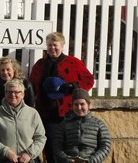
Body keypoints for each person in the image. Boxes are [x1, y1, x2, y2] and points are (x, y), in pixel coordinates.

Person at [29, 32, 94, 163]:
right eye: (49, 45)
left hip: (68, 113)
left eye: (55, 45)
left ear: (62, 46)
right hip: (46, 112)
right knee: (50, 146)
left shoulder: (73, 62)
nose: (52, 48)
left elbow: (89, 80)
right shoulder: (40, 64)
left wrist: (74, 86)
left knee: (68, 147)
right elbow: (32, 84)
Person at [0, 79, 46, 163]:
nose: (13, 95)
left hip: (29, 160)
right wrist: (6, 152)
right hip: (3, 159)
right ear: (5, 93)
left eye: (16, 92)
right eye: (9, 92)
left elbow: (41, 138)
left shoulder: (33, 113)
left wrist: (29, 153)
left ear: (23, 94)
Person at [53, 89, 111, 163]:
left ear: (88, 105)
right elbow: (56, 146)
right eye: (76, 104)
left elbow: (106, 146)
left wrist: (92, 161)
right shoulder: (64, 124)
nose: (79, 108)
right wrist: (66, 159)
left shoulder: (99, 124)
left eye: (82, 104)